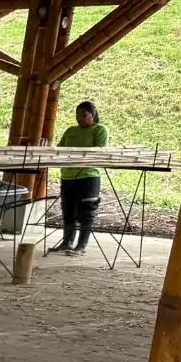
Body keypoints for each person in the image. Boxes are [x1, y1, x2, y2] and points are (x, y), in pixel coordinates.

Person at [50, 100, 107, 255]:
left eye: (84, 115)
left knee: (86, 212)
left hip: (87, 176)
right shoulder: (70, 130)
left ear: (93, 115)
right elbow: (60, 149)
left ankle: (81, 246)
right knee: (68, 211)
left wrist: (76, 155)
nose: (79, 118)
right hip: (68, 175)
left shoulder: (100, 130)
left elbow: (99, 151)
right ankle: (67, 242)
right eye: (77, 115)